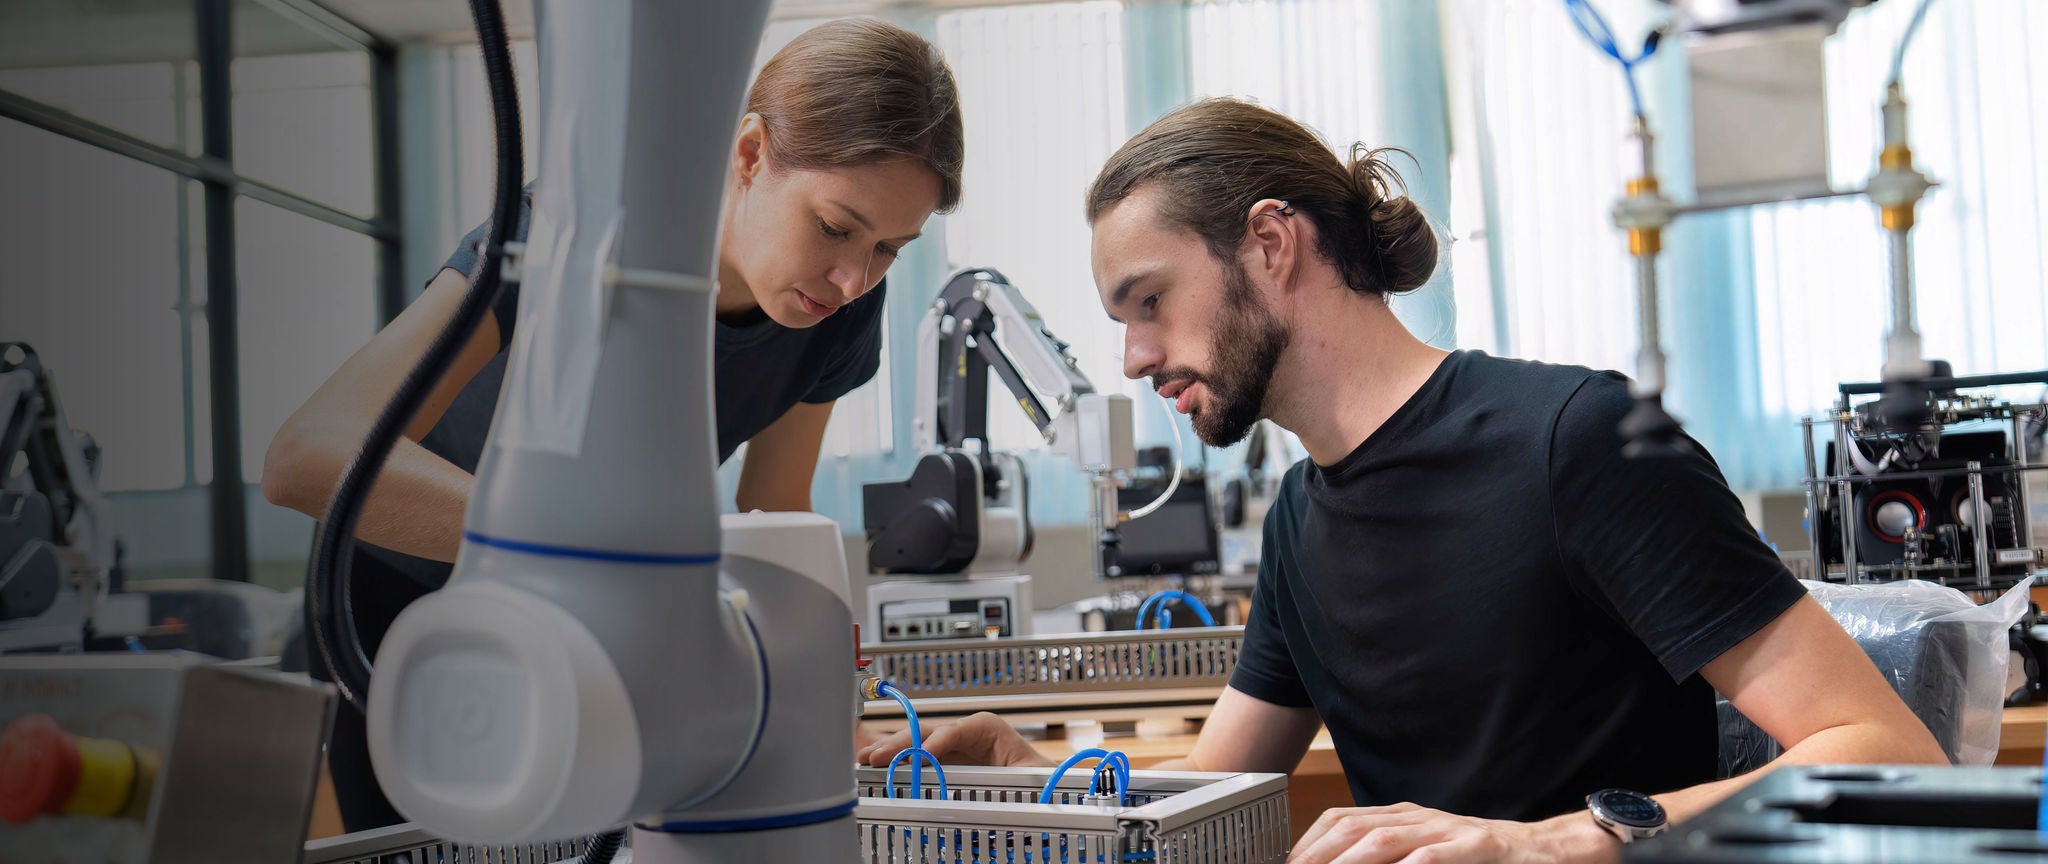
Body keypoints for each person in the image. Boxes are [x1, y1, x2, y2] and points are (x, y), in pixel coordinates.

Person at [859, 98, 1946, 864]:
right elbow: (1206, 800)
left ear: (1271, 243)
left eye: (1148, 301)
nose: (1134, 359)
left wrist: (1559, 840)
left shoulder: (1575, 440)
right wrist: (1024, 773)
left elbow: (1888, 754)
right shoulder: (1300, 515)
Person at [262, 18, 962, 831]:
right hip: (401, 605)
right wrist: (588, 546)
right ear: (747, 154)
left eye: (890, 249)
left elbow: (776, 515)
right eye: (835, 227)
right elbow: (307, 459)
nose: (852, 277)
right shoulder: (576, 233)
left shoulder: (841, 313)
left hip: (598, 606)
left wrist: (817, 706)